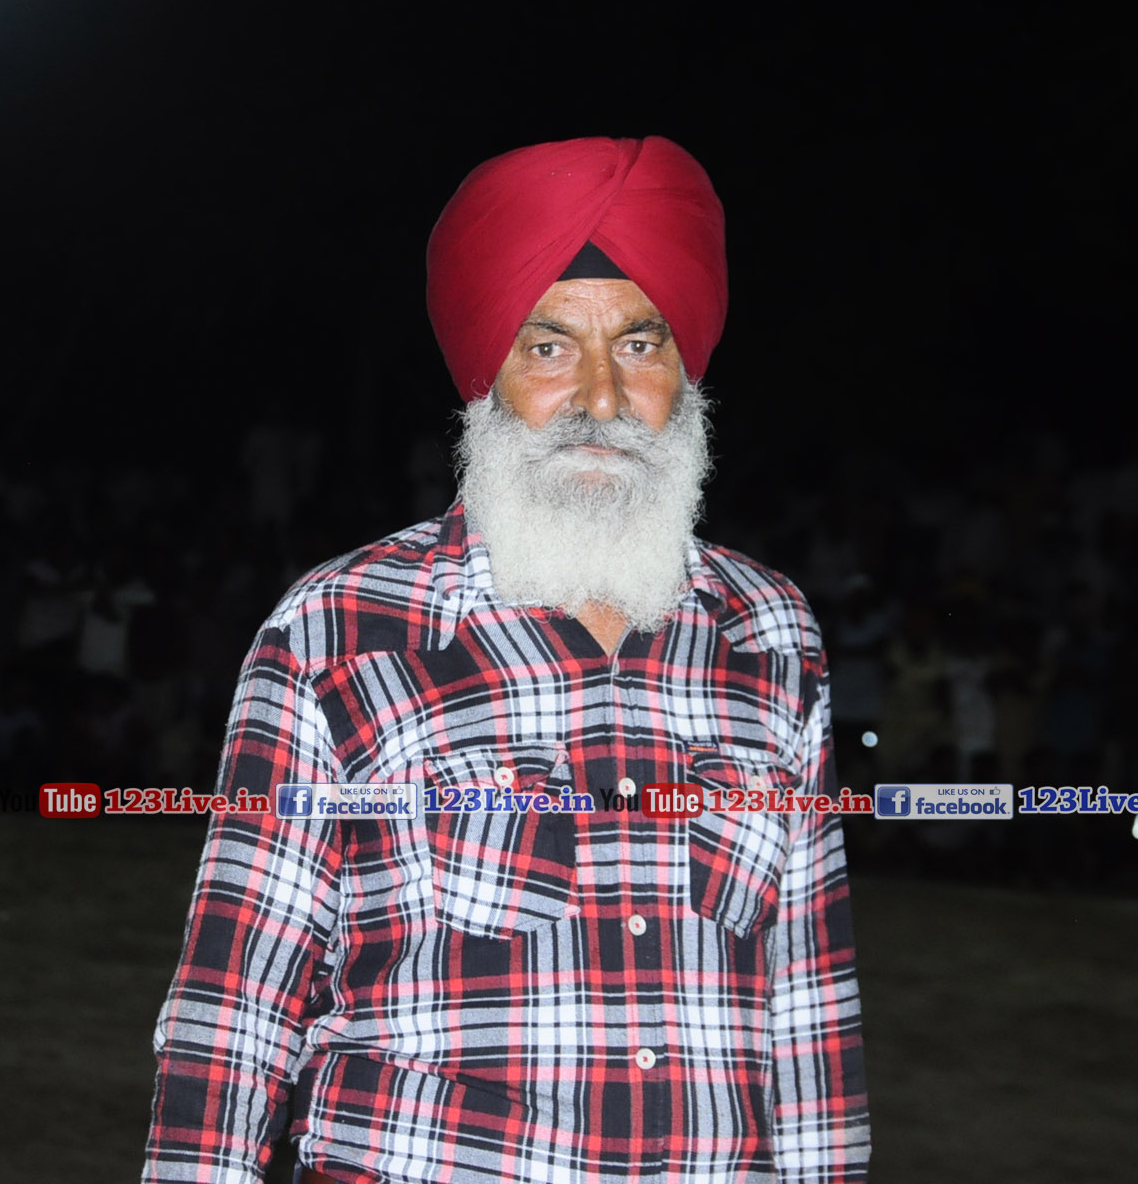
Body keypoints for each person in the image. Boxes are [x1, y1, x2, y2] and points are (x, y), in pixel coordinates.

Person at [143, 136, 870, 1184]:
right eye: (549, 347)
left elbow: (809, 996)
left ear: (685, 375)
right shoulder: (338, 628)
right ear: (488, 375)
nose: (601, 398)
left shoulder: (770, 630)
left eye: (639, 344)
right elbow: (236, 1002)